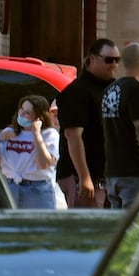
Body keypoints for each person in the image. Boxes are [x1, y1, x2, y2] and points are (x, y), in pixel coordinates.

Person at [56, 37, 118, 208]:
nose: (114, 64)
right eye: (109, 60)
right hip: (80, 178)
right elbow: (73, 135)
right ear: (92, 58)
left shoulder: (112, 88)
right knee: (85, 230)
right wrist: (84, 177)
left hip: (104, 177)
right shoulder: (77, 92)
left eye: (117, 60)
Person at [0, 94, 65, 209]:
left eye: (27, 113)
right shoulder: (9, 132)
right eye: (21, 109)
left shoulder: (49, 135)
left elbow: (44, 164)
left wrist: (36, 134)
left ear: (38, 117)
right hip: (11, 186)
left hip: (37, 189)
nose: (21, 114)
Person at [102, 41, 139, 208]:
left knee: (119, 226)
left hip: (113, 170)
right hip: (134, 170)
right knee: (134, 227)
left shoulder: (110, 89)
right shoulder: (138, 90)